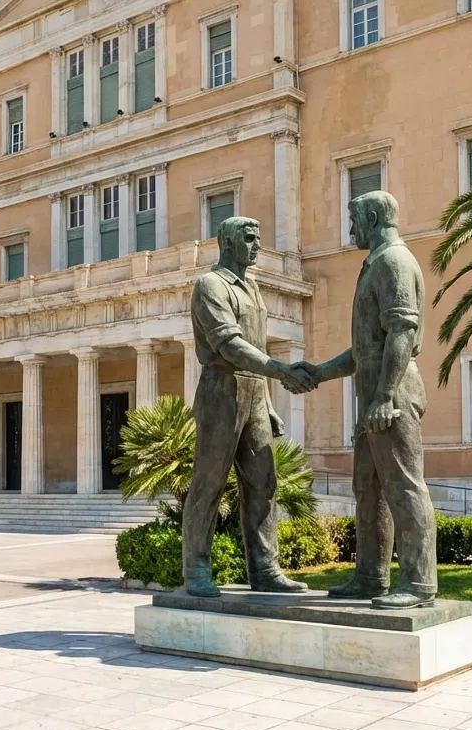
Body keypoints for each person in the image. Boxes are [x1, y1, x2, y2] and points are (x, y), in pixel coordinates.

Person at [297, 191, 437, 609]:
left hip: (390, 395)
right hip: (374, 391)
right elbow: (365, 350)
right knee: (369, 488)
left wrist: (384, 397)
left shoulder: (394, 260)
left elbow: (401, 333)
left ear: (374, 217)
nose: (351, 228)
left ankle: (419, 583)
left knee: (404, 487)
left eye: (354, 219)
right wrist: (320, 373)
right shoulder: (375, 263)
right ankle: (371, 576)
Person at [183, 216, 316, 598]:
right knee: (209, 483)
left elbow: (254, 347)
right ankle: (196, 569)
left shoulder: (253, 288)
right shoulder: (211, 286)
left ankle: (264, 568)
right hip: (220, 389)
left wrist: (267, 400)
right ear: (227, 242)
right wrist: (278, 369)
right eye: (249, 239)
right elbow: (230, 345)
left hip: (255, 392)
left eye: (258, 238)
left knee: (264, 482)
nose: (257, 245)